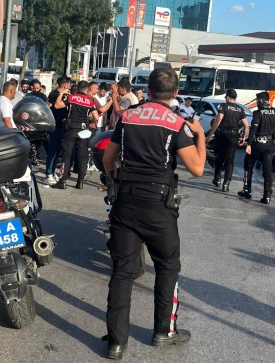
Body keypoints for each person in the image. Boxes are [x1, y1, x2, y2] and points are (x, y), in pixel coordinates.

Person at [101, 69, 206, 360]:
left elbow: (109, 159)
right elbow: (197, 168)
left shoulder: (128, 117)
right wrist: (201, 138)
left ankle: (116, 343)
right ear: (174, 93)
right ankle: (163, 332)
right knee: (168, 267)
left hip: (126, 201)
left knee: (122, 271)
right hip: (159, 205)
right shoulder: (177, 123)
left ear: (146, 89)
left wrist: (115, 181)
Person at [237, 92, 275, 204]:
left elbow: (253, 129)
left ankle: (247, 190)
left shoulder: (258, 113)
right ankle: (267, 196)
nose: (256, 102)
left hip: (258, 143)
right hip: (270, 144)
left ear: (261, 101)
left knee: (248, 165)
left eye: (257, 100)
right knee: (267, 169)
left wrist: (249, 144)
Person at [51, 80, 99, 190]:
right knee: (82, 156)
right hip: (83, 130)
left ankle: (63, 181)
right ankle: (80, 182)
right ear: (87, 90)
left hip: (71, 129)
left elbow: (57, 105)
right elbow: (96, 117)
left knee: (66, 155)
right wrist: (88, 118)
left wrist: (61, 94)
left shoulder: (71, 98)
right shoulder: (89, 101)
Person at [206, 89, 248, 192]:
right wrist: (243, 137)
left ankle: (217, 179)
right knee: (230, 161)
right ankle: (226, 184)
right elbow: (246, 125)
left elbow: (218, 120)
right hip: (234, 136)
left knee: (219, 158)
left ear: (228, 97)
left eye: (225, 97)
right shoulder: (240, 109)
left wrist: (210, 135)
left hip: (223, 135)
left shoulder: (223, 106)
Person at [44, 77, 71, 185]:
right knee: (53, 150)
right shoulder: (54, 94)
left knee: (58, 151)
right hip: (55, 125)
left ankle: (53, 170)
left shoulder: (65, 95)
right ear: (65, 86)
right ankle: (48, 173)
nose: (70, 87)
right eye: (69, 85)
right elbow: (54, 106)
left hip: (62, 126)